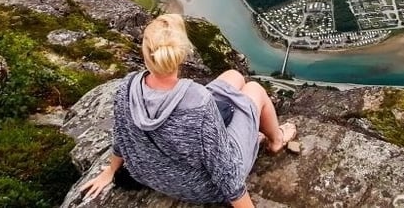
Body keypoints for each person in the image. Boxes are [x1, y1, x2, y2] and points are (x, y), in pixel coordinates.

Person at [80, 14, 296, 208]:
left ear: (146, 53)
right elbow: (225, 170)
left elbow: (121, 134)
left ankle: (258, 132)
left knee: (234, 75)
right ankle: (276, 140)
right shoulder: (198, 102)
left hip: (151, 174)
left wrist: (110, 171)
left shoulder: (128, 87)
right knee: (254, 90)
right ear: (182, 55)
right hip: (200, 187)